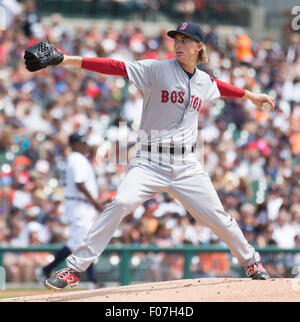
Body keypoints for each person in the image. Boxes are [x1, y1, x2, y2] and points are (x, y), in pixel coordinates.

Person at [25, 22, 274, 290]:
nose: (178, 44)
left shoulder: (204, 81)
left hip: (186, 163)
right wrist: (66, 60)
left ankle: (251, 261)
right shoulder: (157, 69)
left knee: (218, 217)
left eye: (185, 40)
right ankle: (73, 270)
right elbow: (116, 67)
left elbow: (218, 86)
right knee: (120, 204)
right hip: (149, 161)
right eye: (176, 39)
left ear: (199, 47)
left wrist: (249, 95)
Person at [35, 132, 103, 289]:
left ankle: (91, 280)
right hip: (79, 205)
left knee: (84, 242)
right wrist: (95, 203)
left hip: (78, 204)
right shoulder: (76, 159)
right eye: (82, 142)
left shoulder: (74, 159)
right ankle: (46, 270)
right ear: (74, 144)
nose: (85, 145)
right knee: (80, 242)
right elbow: (80, 184)